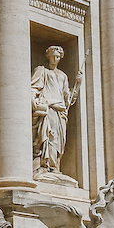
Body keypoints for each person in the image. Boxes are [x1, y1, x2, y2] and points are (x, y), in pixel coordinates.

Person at [31, 46, 80, 174]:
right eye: (53, 56)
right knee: (49, 137)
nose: (55, 59)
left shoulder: (63, 76)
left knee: (59, 140)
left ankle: (55, 166)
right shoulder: (41, 70)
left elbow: (68, 98)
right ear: (48, 56)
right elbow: (34, 87)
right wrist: (34, 101)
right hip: (50, 108)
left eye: (58, 57)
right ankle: (45, 165)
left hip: (61, 111)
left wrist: (78, 84)